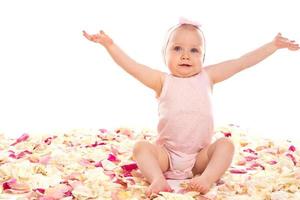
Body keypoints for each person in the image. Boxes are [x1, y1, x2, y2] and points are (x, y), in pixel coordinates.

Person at [83, 18, 299, 196]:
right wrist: (110, 45)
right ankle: (157, 178)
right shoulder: (161, 81)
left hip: (199, 157)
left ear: (202, 57)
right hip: (166, 156)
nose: (185, 55)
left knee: (226, 145)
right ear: (165, 54)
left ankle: (207, 178)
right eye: (177, 48)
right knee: (140, 147)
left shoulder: (208, 77)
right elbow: (133, 68)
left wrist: (273, 46)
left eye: (194, 50)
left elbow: (241, 62)